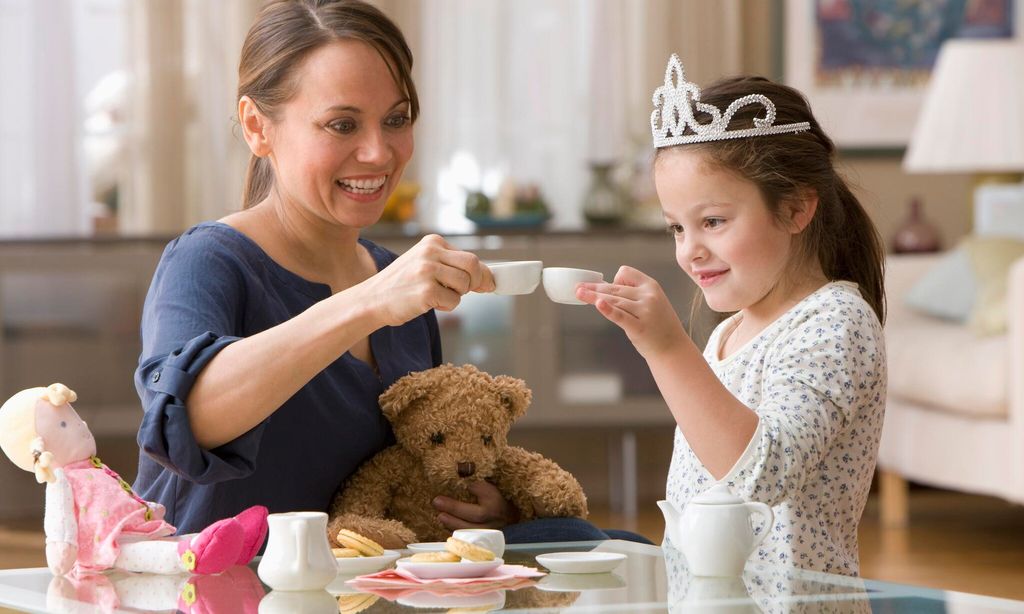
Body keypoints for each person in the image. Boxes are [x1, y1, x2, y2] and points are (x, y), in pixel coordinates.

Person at [132, 0, 641, 546]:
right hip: (215, 593)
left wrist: (483, 512)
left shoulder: (396, 283)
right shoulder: (208, 261)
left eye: (396, 120)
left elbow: (416, 466)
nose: (378, 152)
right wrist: (370, 301)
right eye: (342, 124)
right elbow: (187, 422)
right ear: (258, 127)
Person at [576, 55, 886, 575]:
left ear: (795, 209)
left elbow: (760, 478)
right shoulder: (730, 332)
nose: (689, 251)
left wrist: (667, 348)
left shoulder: (836, 323)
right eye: (676, 228)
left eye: (713, 221)